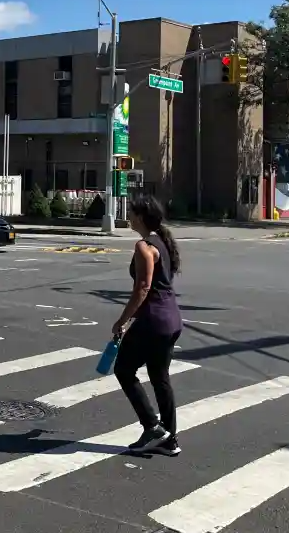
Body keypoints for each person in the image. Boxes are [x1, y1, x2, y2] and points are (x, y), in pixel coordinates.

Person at [111, 194, 184, 457]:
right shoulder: (162, 241)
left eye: (131, 213)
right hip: (171, 319)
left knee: (123, 369)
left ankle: (152, 426)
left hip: (152, 321)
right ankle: (170, 440)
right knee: (160, 378)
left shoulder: (144, 247)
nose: (128, 216)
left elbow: (143, 288)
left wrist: (121, 321)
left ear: (140, 217)